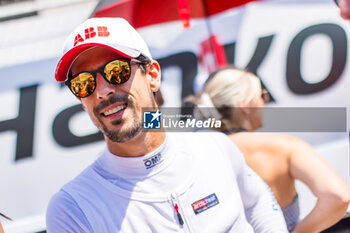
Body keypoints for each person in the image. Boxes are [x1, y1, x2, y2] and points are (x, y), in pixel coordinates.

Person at [46, 17, 289, 232]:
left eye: (116, 71)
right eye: (83, 83)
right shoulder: (73, 208)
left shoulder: (215, 146)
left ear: (152, 76)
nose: (101, 91)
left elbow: (259, 206)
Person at [195, 67, 350, 233]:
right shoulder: (284, 147)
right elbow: (338, 197)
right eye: (262, 96)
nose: (265, 102)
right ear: (245, 106)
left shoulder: (201, 156)